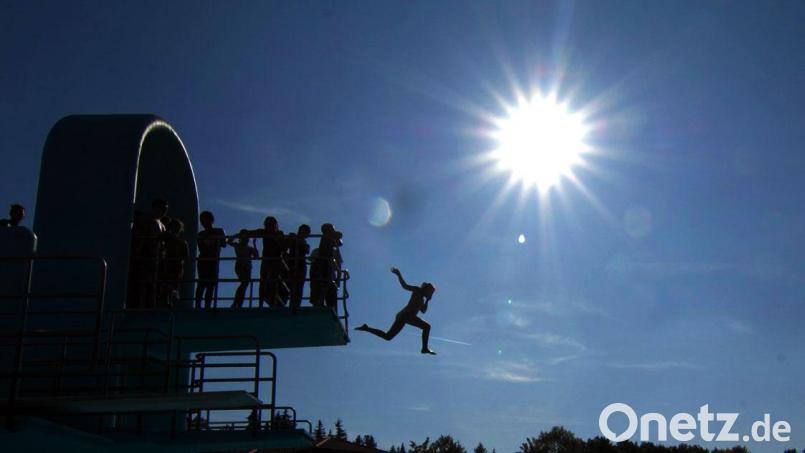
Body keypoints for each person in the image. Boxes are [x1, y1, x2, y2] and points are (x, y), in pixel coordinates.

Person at [355, 267, 437, 355]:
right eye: (431, 292)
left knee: (388, 336)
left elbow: (423, 311)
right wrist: (398, 274)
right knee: (427, 326)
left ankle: (366, 328)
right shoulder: (417, 290)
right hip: (406, 315)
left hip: (402, 317)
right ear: (426, 289)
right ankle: (424, 348)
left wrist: (427, 301)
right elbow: (405, 286)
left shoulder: (422, 300)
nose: (431, 294)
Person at [243, 216, 287, 307]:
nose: (269, 226)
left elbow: (284, 247)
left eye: (271, 224)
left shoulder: (279, 233)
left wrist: (276, 239)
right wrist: (244, 232)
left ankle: (273, 302)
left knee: (273, 282)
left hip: (275, 260)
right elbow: (252, 232)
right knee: (263, 281)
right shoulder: (264, 232)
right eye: (268, 224)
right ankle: (261, 303)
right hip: (267, 259)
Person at [195, 211, 226, 309]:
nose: (203, 223)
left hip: (213, 260)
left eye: (205, 220)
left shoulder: (219, 231)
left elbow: (224, 244)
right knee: (202, 283)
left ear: (211, 220)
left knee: (211, 284)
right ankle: (198, 305)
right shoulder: (200, 234)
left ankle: (207, 306)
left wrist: (214, 238)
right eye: (202, 221)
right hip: (204, 260)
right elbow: (201, 248)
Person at [160, 218, 189, 307]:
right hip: (170, 264)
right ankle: (168, 300)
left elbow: (186, 255)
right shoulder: (171, 240)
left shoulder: (182, 242)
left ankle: (170, 300)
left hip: (176, 265)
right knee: (168, 283)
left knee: (173, 284)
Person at [227, 229, 259, 309]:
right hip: (240, 266)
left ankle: (238, 304)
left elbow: (256, 256)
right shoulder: (237, 245)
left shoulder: (249, 248)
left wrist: (254, 244)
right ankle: (236, 303)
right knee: (244, 284)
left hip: (247, 268)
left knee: (244, 285)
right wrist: (237, 235)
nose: (246, 239)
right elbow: (228, 241)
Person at [287, 224, 311, 312]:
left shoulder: (304, 242)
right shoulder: (293, 238)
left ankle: (296, 305)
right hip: (293, 264)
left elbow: (307, 251)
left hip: (301, 264)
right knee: (293, 285)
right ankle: (293, 305)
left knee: (299, 286)